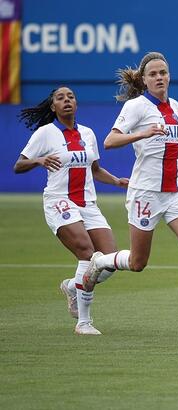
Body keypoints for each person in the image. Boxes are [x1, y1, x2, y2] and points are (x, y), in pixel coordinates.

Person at [83, 52, 178, 341]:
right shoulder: (136, 106)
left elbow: (174, 139)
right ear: (144, 80)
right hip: (146, 192)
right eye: (153, 74)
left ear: (169, 76)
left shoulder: (175, 106)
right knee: (139, 262)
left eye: (163, 72)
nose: (159, 77)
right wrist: (141, 134)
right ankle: (101, 262)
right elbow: (110, 140)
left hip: (176, 190)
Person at [13, 86, 129, 335]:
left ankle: (73, 287)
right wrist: (38, 160)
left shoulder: (87, 133)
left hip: (87, 204)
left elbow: (95, 169)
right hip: (59, 201)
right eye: (60, 98)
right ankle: (83, 322)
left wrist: (117, 181)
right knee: (88, 255)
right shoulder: (45, 133)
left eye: (71, 97)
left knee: (109, 260)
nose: (66, 100)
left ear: (76, 104)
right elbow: (18, 165)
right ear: (53, 106)